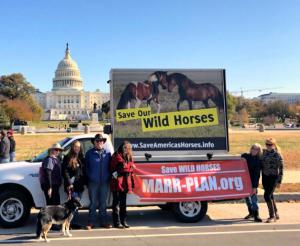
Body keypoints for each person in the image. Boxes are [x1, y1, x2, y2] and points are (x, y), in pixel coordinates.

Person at [85, 133, 112, 229]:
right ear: (94, 143)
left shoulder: (108, 153)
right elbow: (86, 168)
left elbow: (111, 167)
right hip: (93, 182)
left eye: (101, 141)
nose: (99, 142)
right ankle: (91, 222)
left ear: (103, 142)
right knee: (93, 203)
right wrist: (89, 178)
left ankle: (104, 222)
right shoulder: (89, 153)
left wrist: (109, 177)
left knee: (103, 203)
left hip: (104, 182)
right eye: (97, 141)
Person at [110, 141, 135, 228]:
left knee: (123, 204)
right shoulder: (116, 156)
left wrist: (129, 167)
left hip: (124, 184)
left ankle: (123, 221)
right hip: (117, 183)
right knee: (116, 204)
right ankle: (117, 223)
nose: (126, 150)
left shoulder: (129, 156)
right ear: (121, 147)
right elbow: (121, 169)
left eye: (128, 148)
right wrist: (129, 167)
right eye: (125, 148)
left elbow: (130, 168)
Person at [62, 140, 86, 229]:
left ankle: (72, 223)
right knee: (72, 206)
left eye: (79, 147)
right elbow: (65, 172)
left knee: (76, 206)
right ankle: (69, 224)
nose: (77, 148)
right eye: (75, 146)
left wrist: (85, 182)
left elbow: (83, 172)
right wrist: (69, 183)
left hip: (79, 186)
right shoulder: (67, 157)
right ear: (72, 147)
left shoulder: (81, 157)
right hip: (71, 186)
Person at [261, 138, 284, 223]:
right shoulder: (264, 153)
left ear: (274, 145)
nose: (268, 146)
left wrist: (279, 181)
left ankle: (271, 216)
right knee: (270, 196)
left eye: (270, 144)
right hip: (265, 177)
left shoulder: (277, 155)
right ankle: (276, 212)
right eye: (266, 144)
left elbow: (281, 169)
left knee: (266, 196)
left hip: (273, 177)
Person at [241, 143, 263, 222]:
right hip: (245, 180)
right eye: (253, 148)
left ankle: (256, 215)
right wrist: (242, 158)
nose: (254, 150)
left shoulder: (258, 161)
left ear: (259, 151)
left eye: (256, 149)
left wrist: (254, 187)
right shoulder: (246, 156)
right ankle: (251, 212)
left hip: (253, 181)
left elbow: (257, 175)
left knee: (254, 198)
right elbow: (241, 156)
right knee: (247, 197)